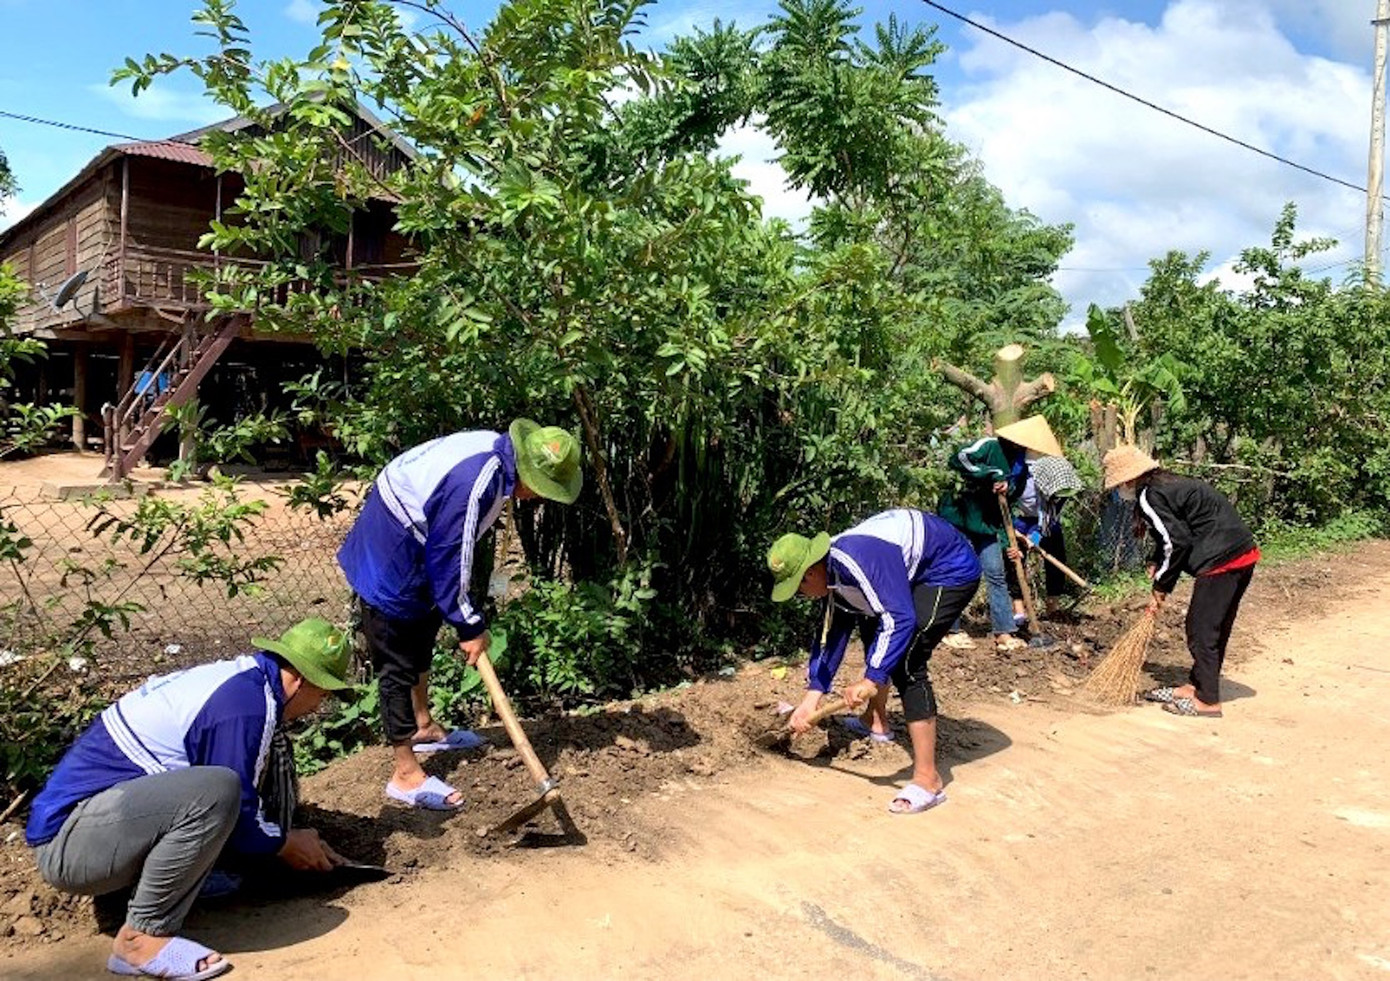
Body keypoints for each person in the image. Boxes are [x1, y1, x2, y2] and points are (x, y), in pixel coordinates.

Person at [25, 618, 354, 981]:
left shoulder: (243, 683)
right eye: (323, 695)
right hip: (72, 848)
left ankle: (163, 887)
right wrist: (284, 842)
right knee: (219, 789)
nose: (318, 706)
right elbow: (238, 807)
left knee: (218, 789)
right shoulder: (246, 706)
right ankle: (141, 939)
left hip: (95, 831)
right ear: (301, 681)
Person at [337, 419, 582, 811]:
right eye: (542, 488)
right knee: (397, 657)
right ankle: (404, 775)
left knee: (424, 626)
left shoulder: (499, 459)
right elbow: (449, 554)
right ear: (527, 471)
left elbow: (451, 553)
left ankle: (423, 726)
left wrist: (458, 613)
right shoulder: (478, 480)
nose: (540, 498)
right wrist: (469, 625)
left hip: (417, 535)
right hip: (391, 549)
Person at [767, 508, 981, 814]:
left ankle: (928, 780)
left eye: (798, 587)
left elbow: (901, 618)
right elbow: (832, 636)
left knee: (907, 660)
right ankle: (876, 722)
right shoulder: (832, 575)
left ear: (812, 572)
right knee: (872, 630)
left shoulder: (859, 562)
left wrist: (872, 678)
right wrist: (810, 698)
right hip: (909, 570)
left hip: (948, 569)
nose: (800, 594)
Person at [1103, 444, 1259, 718]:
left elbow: (1177, 541)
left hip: (1222, 559)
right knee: (1214, 627)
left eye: (1118, 484)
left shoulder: (1149, 495)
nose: (1119, 490)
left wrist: (1161, 586)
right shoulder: (1169, 484)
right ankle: (1196, 686)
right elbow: (1172, 529)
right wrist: (1155, 559)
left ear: (1128, 479)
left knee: (1201, 630)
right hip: (1242, 552)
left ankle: (1208, 702)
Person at [938, 415, 1064, 652]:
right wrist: (993, 474)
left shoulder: (1021, 467)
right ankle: (950, 630)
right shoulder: (989, 447)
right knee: (958, 572)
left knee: (996, 574)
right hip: (961, 519)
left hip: (988, 525)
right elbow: (958, 458)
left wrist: (1010, 544)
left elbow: (1006, 509)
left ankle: (1004, 632)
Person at [1009, 454, 1085, 619]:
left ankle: (1053, 606)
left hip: (1046, 520)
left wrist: (1034, 538)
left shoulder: (1062, 484)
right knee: (1015, 559)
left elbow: (1051, 515)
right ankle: (1019, 609)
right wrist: (1020, 536)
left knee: (1057, 555)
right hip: (1020, 519)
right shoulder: (1021, 478)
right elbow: (1006, 505)